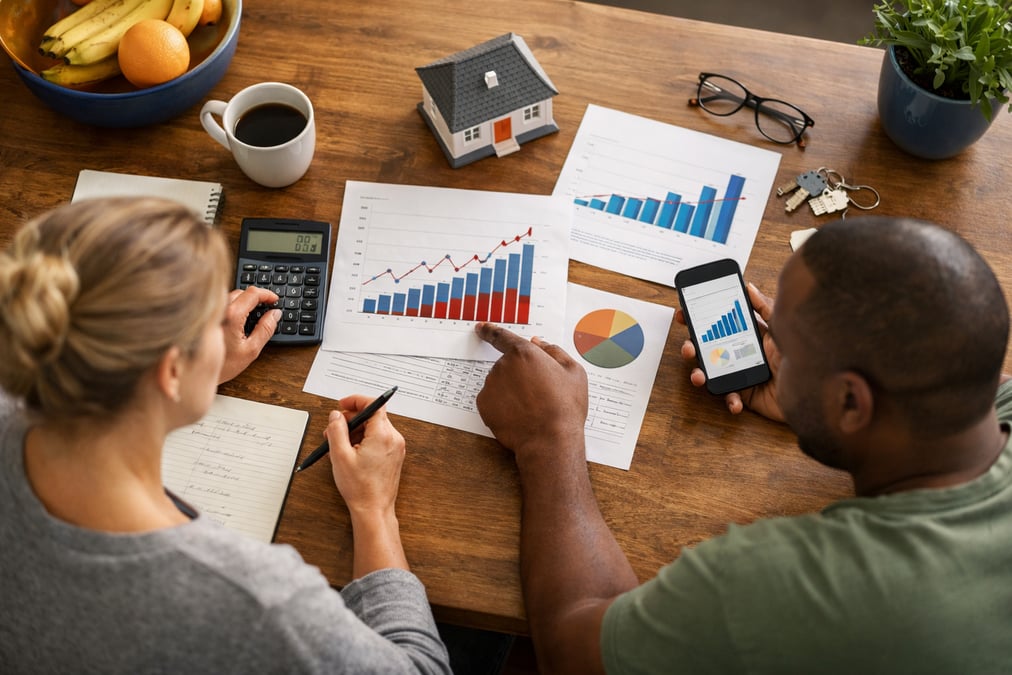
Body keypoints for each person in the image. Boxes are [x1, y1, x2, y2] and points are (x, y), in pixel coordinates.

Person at [474, 215, 1012, 674]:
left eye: (782, 339)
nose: (766, 340)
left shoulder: (782, 584)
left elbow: (571, 651)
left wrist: (551, 437)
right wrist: (812, 404)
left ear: (853, 403)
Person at [0, 197, 450, 674]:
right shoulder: (260, 602)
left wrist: (189, 375)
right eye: (213, 321)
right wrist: (373, 508)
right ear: (171, 369)